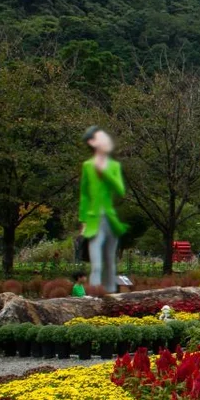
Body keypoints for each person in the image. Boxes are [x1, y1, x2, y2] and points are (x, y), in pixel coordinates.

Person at [79, 126, 128, 294]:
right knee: (97, 264)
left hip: (110, 219)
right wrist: (83, 220)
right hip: (94, 219)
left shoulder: (113, 166)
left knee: (110, 261)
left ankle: (110, 297)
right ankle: (94, 295)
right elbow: (85, 194)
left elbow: (120, 190)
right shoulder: (87, 166)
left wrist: (105, 173)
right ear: (92, 142)